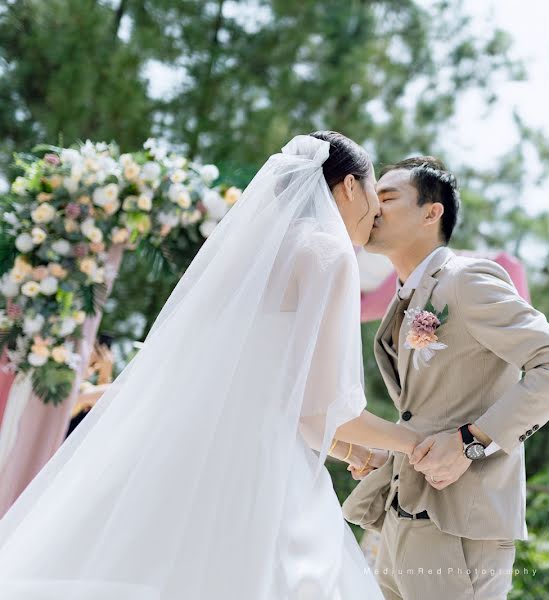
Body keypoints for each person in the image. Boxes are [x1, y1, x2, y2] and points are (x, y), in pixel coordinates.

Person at [0, 131, 431, 598]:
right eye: (373, 192)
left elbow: (264, 388)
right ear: (349, 187)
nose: (376, 212)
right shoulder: (328, 255)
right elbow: (319, 411)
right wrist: (411, 442)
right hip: (257, 471)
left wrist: (347, 448)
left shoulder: (250, 260)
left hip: (187, 448)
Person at [342, 156, 549, 599]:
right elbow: (431, 407)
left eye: (389, 197)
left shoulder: (466, 279)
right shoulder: (408, 297)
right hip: (403, 520)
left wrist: (470, 440)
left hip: (459, 526)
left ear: (431, 213)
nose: (374, 207)